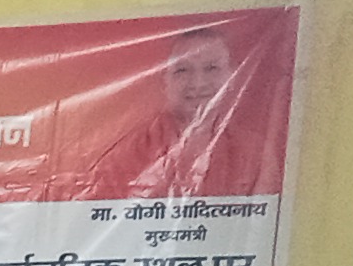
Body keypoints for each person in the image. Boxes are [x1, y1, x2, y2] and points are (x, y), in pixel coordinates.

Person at [83, 26, 273, 203]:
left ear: (231, 76)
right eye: (182, 70)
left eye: (212, 68)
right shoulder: (129, 153)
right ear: (164, 81)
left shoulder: (254, 154)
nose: (198, 83)